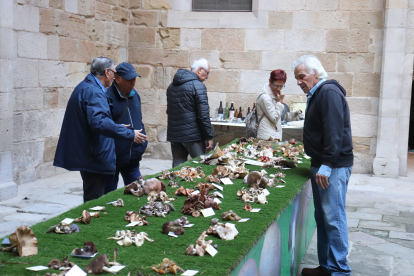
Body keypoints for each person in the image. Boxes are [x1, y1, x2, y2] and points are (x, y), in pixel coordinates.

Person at [292, 55, 354, 276]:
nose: (298, 81)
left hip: (333, 166)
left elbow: (334, 132)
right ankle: (327, 267)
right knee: (324, 217)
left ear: (315, 73)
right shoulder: (318, 93)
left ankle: (339, 271)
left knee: (334, 218)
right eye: (296, 78)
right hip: (322, 164)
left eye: (302, 76)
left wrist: (327, 164)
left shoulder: (327, 92)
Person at [54, 57, 146, 203]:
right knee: (96, 201)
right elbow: (99, 123)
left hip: (91, 154)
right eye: (114, 72)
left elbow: (97, 121)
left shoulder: (88, 87)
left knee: (95, 198)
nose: (115, 76)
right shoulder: (94, 91)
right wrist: (128, 133)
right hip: (92, 156)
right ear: (108, 72)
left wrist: (117, 127)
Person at [104, 62, 148, 193]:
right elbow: (104, 126)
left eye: (134, 79)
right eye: (129, 79)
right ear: (117, 79)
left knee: (139, 194)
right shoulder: (106, 97)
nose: (133, 82)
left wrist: (142, 145)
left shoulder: (136, 96)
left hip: (133, 158)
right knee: (109, 197)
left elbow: (139, 120)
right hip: (113, 159)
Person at [166, 58, 214, 167]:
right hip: (193, 136)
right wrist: (209, 136)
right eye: (207, 73)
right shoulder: (198, 86)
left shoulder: (171, 86)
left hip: (175, 135)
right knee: (201, 166)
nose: (207, 77)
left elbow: (169, 111)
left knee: (177, 169)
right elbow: (203, 115)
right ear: (200, 70)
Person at [256, 69, 286, 140]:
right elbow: (274, 118)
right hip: (267, 137)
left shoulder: (275, 95)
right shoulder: (265, 97)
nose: (279, 89)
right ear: (270, 81)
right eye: (276, 85)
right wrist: (280, 102)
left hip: (273, 135)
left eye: (281, 86)